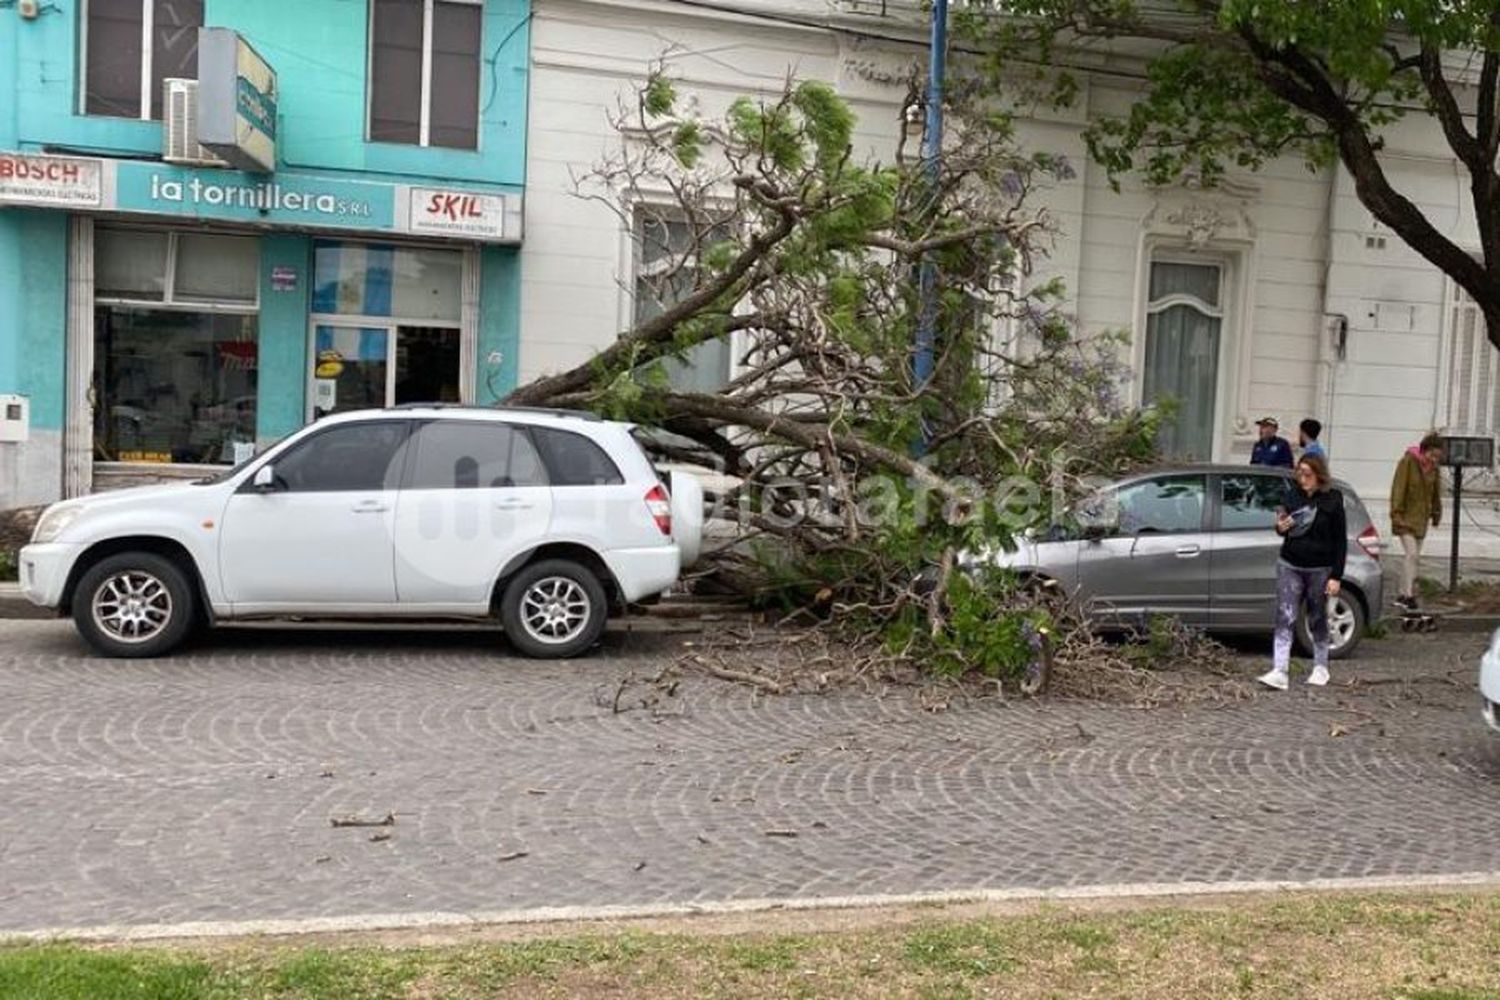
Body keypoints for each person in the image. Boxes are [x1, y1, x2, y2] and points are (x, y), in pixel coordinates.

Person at [1258, 453, 1346, 690]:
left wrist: (1336, 576)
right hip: (1290, 564)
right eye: (1299, 473)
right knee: (1284, 616)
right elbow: (1281, 526)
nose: (1302, 479)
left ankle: (1320, 666)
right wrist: (1280, 527)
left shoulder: (1333, 500)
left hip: (1320, 568)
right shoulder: (1291, 496)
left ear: (1319, 475)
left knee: (1317, 616)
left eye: (1307, 474)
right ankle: (1280, 670)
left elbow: (1340, 541)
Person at [1389, 433, 1444, 612]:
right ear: (1424, 451)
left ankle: (1403, 594)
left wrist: (1437, 513)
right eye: (1432, 455)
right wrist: (1396, 513)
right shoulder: (1408, 462)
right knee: (1411, 554)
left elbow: (1436, 494)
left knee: (1414, 558)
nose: (1434, 459)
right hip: (1405, 518)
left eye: (1437, 456)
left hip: (1421, 519)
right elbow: (1398, 488)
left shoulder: (1435, 470)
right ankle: (1408, 595)